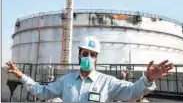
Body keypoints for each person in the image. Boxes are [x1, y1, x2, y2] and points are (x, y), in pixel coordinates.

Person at [6, 36, 174, 102]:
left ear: (97, 58)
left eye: (93, 54)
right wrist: (21, 76)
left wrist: (148, 79)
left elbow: (132, 93)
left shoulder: (108, 82)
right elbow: (42, 92)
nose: (88, 57)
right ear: (79, 56)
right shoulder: (67, 81)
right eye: (85, 53)